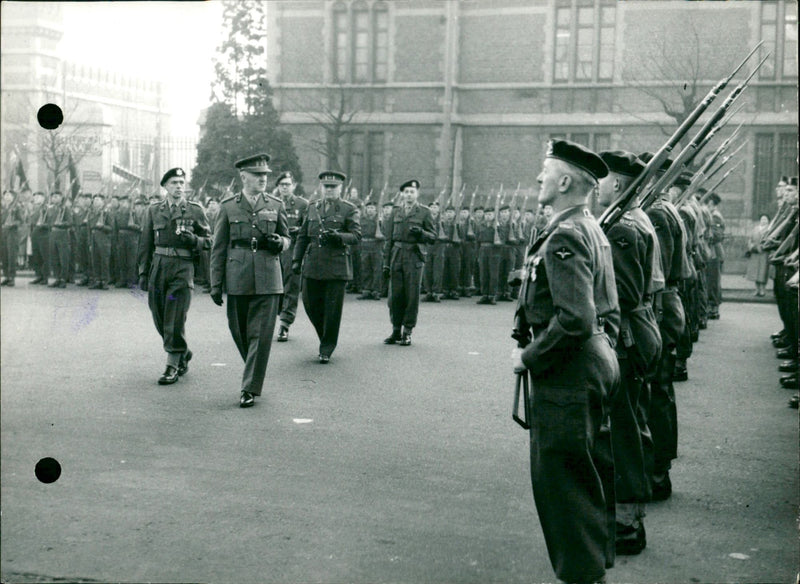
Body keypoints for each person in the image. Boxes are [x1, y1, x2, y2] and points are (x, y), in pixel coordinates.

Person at [512, 139, 619, 584]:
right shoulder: (585, 225)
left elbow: (575, 317)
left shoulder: (567, 234)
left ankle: (582, 575)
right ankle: (592, 567)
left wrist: (528, 356)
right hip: (589, 363)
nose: (539, 178)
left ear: (564, 181)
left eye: (545, 171)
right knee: (585, 475)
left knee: (563, 487)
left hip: (567, 370)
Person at [596, 150, 664, 556]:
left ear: (618, 184)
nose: (597, 187)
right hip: (640, 330)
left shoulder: (622, 228)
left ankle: (626, 520)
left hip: (627, 336)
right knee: (631, 422)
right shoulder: (633, 219)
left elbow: (619, 298)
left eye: (602, 180)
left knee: (622, 428)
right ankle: (630, 511)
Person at [209, 154, 290, 408]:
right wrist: (215, 283)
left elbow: (287, 238)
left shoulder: (276, 205)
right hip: (238, 275)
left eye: (265, 175)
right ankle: (255, 370)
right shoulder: (228, 206)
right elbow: (218, 248)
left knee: (261, 335)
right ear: (243, 177)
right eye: (257, 175)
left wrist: (281, 242)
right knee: (239, 331)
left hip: (268, 276)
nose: (263, 179)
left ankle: (249, 387)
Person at [138, 167, 211, 385]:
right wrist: (143, 272)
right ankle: (183, 352)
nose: (179, 186)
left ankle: (172, 365)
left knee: (175, 317)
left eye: (181, 182)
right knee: (159, 315)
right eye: (174, 183)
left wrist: (195, 241)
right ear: (165, 187)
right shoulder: (153, 210)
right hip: (159, 267)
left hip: (183, 267)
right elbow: (145, 244)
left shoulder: (195, 210)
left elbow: (210, 239)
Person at [292, 170, 361, 363]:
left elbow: (356, 236)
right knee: (310, 304)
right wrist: (297, 260)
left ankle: (327, 347)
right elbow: (303, 236)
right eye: (326, 187)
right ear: (321, 188)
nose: (329, 190)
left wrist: (339, 236)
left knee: (332, 310)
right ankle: (325, 335)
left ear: (341, 188)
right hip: (313, 264)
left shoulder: (349, 209)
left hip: (336, 266)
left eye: (333, 187)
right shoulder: (312, 208)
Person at [381, 179, 436, 346]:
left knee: (412, 295)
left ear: (417, 193)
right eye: (406, 192)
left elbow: (433, 237)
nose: (409, 195)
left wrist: (421, 233)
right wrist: (386, 262)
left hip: (414, 256)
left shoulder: (424, 212)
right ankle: (396, 330)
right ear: (402, 194)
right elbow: (388, 239)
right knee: (395, 296)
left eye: (412, 192)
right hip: (397, 254)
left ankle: (407, 331)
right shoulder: (395, 212)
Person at [274, 171, 308, 341]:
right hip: (274, 249)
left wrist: (299, 230)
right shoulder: (271, 203)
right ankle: (280, 313)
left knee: (291, 286)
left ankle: (285, 324)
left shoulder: (303, 205)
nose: (285, 187)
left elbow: (310, 228)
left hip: (293, 249)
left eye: (288, 184)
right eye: (281, 185)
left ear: (294, 186)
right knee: (275, 286)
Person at [357, 198, 384, 300]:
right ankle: (366, 290)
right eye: (368, 208)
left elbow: (385, 234)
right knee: (365, 268)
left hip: (376, 246)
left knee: (377, 269)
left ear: (376, 210)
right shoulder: (362, 220)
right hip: (364, 246)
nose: (370, 210)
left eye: (372, 208)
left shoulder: (380, 221)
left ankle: (376, 291)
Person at [704, 192, 725, 319]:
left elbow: (717, 235)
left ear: (711, 203)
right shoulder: (712, 215)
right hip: (712, 251)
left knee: (713, 281)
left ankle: (713, 307)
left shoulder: (715, 217)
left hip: (714, 252)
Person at [88, 192, 114, 290]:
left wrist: (103, 227)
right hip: (94, 238)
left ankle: (104, 281)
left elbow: (111, 228)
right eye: (94, 200)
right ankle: (97, 280)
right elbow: (88, 229)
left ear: (103, 202)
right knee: (95, 260)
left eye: (98, 200)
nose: (95, 202)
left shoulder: (107, 213)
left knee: (104, 261)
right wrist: (90, 242)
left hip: (104, 239)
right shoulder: (91, 213)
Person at [1, 190, 26, 286]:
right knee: (4, 255)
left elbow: (21, 220)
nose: (6, 197)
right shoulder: (3, 208)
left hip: (12, 233)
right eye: (5, 195)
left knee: (11, 255)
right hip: (3, 233)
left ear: (12, 197)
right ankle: (6, 276)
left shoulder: (16, 207)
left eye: (8, 195)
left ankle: (12, 277)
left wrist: (13, 223)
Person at [745, 214, 771, 296]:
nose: (763, 221)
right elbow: (750, 239)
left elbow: (771, 241)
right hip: (755, 253)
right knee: (755, 272)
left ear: (768, 221)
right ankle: (757, 289)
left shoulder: (770, 230)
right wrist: (752, 247)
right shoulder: (755, 229)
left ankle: (763, 289)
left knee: (763, 272)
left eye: (765, 219)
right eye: (762, 219)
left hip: (764, 254)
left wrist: (763, 247)